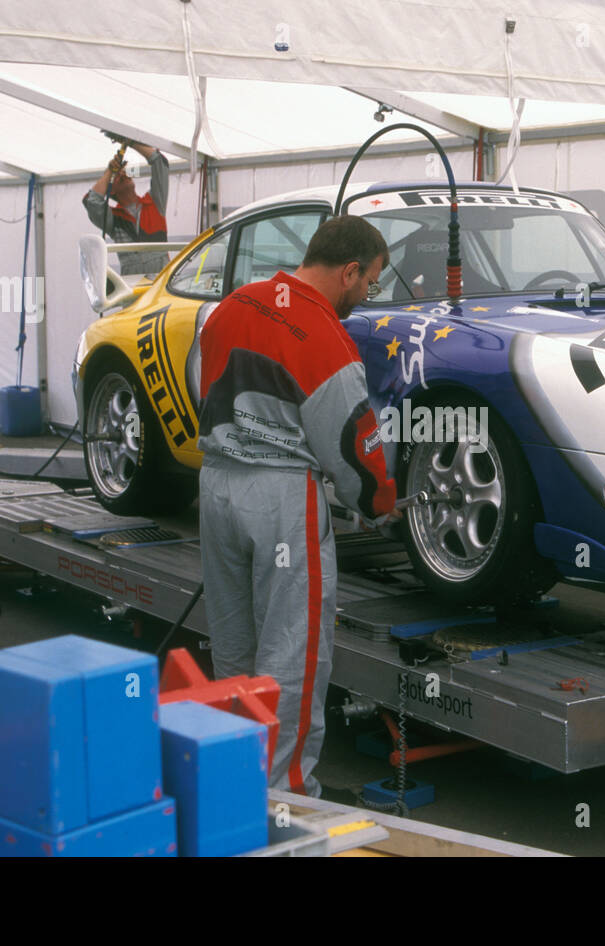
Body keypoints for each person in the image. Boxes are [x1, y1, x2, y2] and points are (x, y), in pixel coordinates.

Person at [195, 214, 399, 797]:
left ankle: (234, 784)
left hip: (216, 485)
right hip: (280, 497)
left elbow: (198, 386)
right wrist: (380, 505)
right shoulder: (324, 336)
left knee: (233, 644)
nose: (366, 296)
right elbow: (354, 447)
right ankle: (282, 797)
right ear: (350, 271)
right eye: (370, 283)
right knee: (291, 653)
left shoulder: (233, 304)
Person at [83, 134, 170, 275]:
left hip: (161, 278)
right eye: (118, 176)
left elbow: (160, 163)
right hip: (132, 281)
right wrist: (109, 171)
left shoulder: (154, 202)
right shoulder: (113, 220)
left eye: (125, 172)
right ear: (111, 191)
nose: (123, 174)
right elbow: (92, 202)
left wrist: (130, 141)